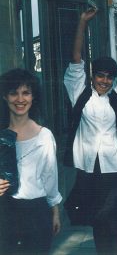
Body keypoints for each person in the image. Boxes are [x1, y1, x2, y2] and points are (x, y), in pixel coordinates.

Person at [63, 7, 117, 255]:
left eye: (109, 77)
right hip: (89, 166)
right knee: (97, 221)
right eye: (100, 76)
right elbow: (76, 58)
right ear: (93, 76)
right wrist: (81, 22)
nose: (105, 81)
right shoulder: (80, 93)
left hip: (116, 167)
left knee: (111, 222)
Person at [0, 68, 62, 254]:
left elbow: (50, 178)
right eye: (14, 93)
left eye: (26, 93)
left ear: (33, 97)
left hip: (36, 212)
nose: (20, 99)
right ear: (5, 96)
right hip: (5, 212)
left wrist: (55, 211)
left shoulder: (44, 136)